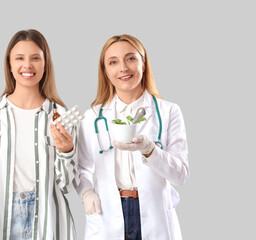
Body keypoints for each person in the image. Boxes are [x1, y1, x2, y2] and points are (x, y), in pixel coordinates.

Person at [0, 29, 79, 240]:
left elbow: (68, 185)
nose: (27, 65)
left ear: (45, 64)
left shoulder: (61, 117)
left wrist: (66, 151)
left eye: (35, 58)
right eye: (19, 58)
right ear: (9, 65)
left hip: (48, 223)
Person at [77, 34, 189, 240]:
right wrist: (86, 193)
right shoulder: (92, 117)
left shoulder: (168, 112)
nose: (123, 68)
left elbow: (181, 175)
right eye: (113, 62)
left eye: (131, 58)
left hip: (155, 217)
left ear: (143, 63)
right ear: (105, 71)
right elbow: (82, 169)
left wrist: (151, 151)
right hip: (107, 216)